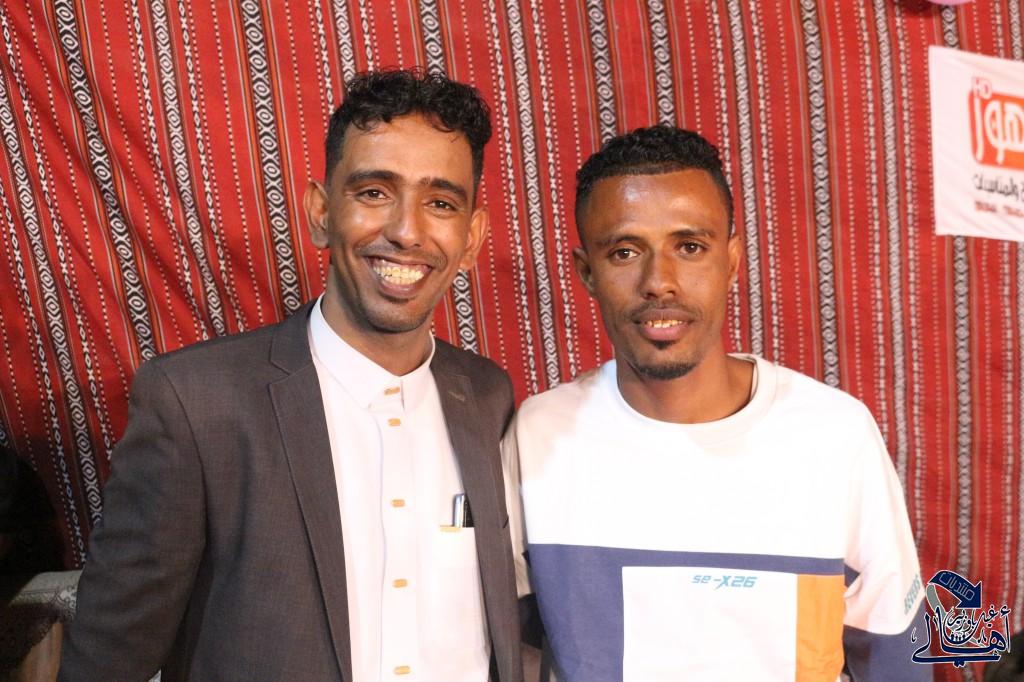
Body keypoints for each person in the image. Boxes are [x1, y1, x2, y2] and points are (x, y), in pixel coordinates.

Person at [61, 68, 524, 681]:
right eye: (374, 192)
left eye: (440, 203)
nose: (406, 231)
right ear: (321, 213)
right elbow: (106, 660)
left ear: (472, 238)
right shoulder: (195, 404)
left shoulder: (488, 397)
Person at [503, 125, 928, 681]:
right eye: (625, 252)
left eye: (690, 247)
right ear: (587, 273)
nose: (660, 282)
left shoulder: (834, 435)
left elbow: (895, 656)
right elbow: (502, 646)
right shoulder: (539, 434)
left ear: (731, 261)